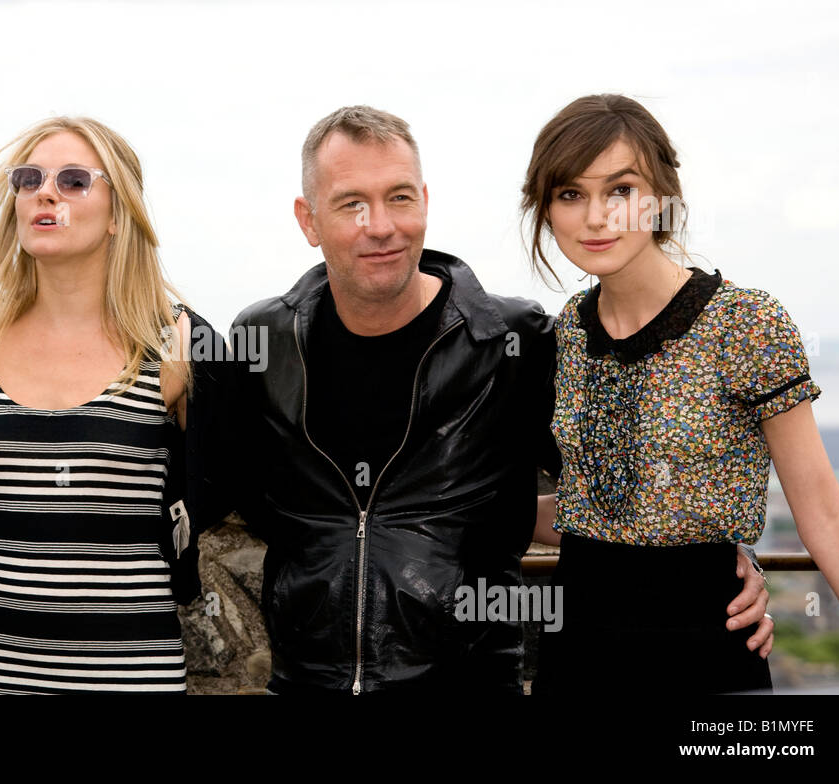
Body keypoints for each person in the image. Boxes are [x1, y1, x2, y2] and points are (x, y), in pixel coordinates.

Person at [227, 105, 773, 694]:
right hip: (306, 684)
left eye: (400, 197)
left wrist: (709, 563)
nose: (379, 224)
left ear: (426, 203)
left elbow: (609, 492)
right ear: (309, 221)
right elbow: (226, 489)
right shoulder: (263, 343)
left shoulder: (512, 342)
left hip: (472, 683)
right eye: (351, 203)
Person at [523, 93, 839, 693]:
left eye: (621, 190)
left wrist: (707, 552)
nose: (596, 217)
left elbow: (829, 517)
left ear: (662, 199)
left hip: (707, 660)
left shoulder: (745, 324)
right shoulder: (566, 332)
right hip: (576, 658)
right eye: (571, 194)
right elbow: (592, 511)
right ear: (548, 210)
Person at [0, 117, 230, 694]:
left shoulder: (177, 343)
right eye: (28, 179)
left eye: (75, 180)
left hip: (134, 678)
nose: (45, 193)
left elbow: (228, 481)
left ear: (118, 213)